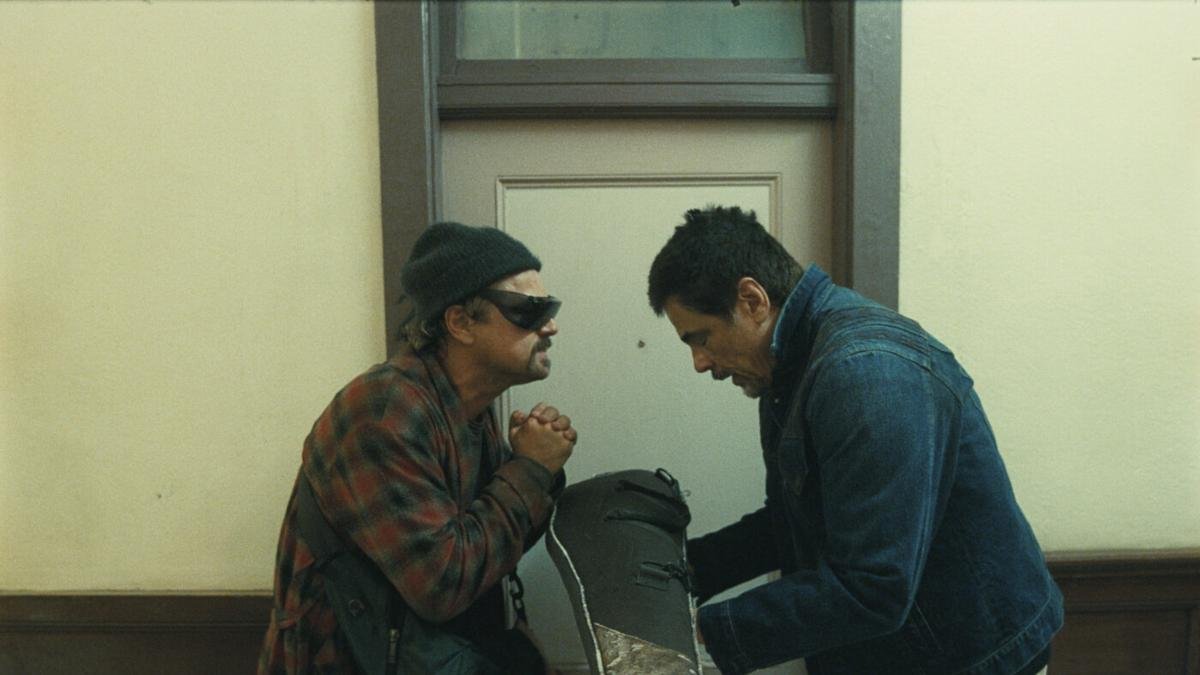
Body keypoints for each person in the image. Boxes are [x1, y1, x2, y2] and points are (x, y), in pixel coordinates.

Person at [647, 206, 1062, 675]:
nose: (700, 363)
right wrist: (687, 570)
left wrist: (703, 632)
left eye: (701, 338)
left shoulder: (865, 374)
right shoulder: (789, 364)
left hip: (974, 660)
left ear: (752, 300)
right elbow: (795, 520)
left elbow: (872, 588)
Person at [259, 221, 577, 674]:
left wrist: (539, 470)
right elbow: (443, 585)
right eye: (529, 310)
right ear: (460, 322)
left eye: (550, 307)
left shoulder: (465, 408)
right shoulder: (384, 412)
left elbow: (485, 553)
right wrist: (529, 470)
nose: (551, 326)